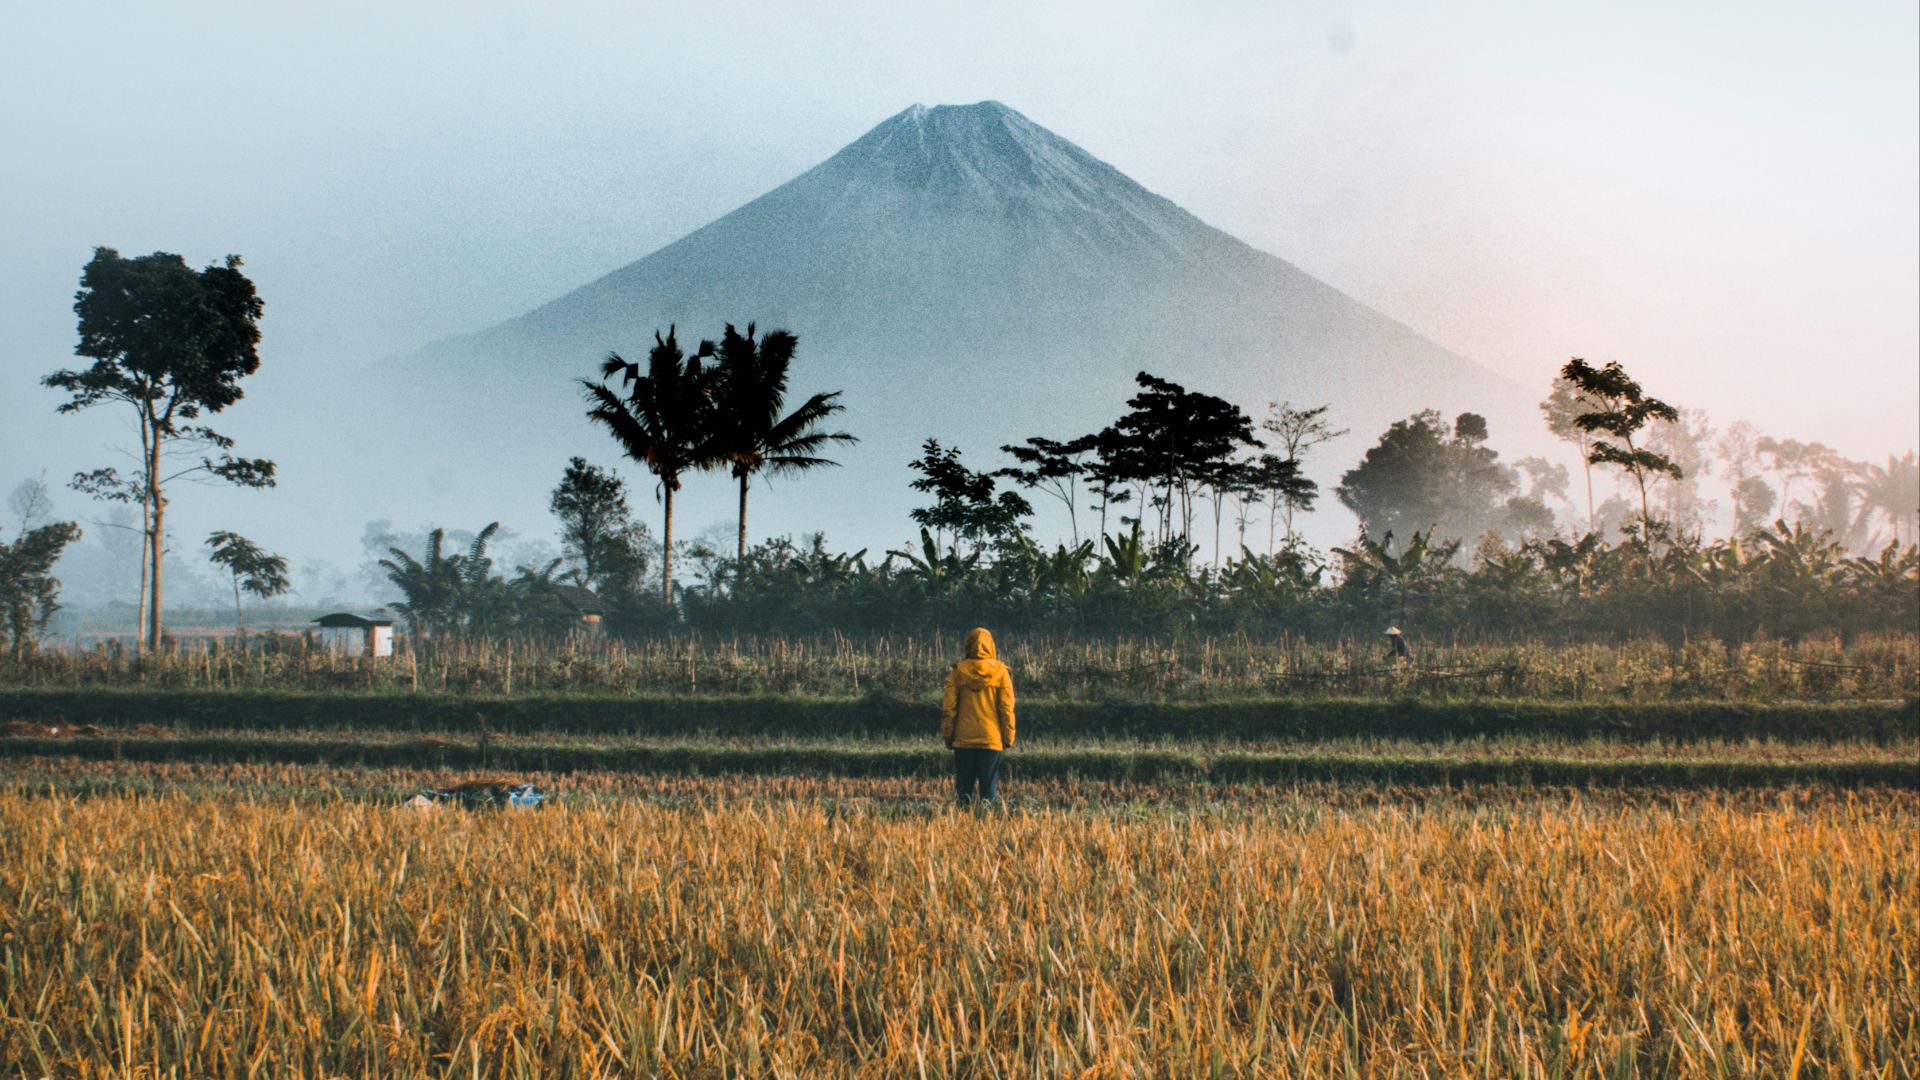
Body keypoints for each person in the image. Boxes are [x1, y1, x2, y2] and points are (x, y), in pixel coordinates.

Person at [940, 626, 1017, 806]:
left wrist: (948, 736)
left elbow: (948, 708)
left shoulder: (957, 672)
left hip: (963, 740)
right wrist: (1008, 737)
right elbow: (1006, 707)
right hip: (991, 739)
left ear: (968, 645)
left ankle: (960, 826)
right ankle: (987, 826)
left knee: (963, 792)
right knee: (988, 792)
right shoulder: (1000, 672)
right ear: (991, 646)